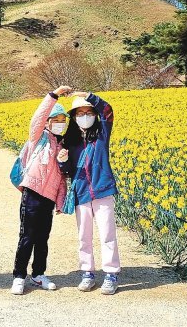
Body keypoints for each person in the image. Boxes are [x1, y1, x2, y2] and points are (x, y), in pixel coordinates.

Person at [58, 88, 121, 295]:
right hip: (82, 192)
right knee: (84, 235)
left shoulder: (102, 134)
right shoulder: (70, 141)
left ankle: (111, 274)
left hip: (103, 189)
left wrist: (88, 95)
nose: (85, 117)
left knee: (107, 234)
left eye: (89, 113)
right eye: (80, 114)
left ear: (95, 115)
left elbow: (108, 110)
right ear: (74, 118)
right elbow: (66, 172)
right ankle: (87, 272)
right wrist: (63, 162)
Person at [10, 86, 69, 295]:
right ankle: (19, 276)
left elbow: (62, 178)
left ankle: (38, 274)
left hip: (49, 198)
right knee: (27, 236)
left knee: (43, 238)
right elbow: (38, 117)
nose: (61, 123)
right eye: (57, 119)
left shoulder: (62, 146)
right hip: (33, 193)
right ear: (48, 122)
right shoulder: (38, 138)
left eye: (64, 119)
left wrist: (60, 201)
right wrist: (54, 95)